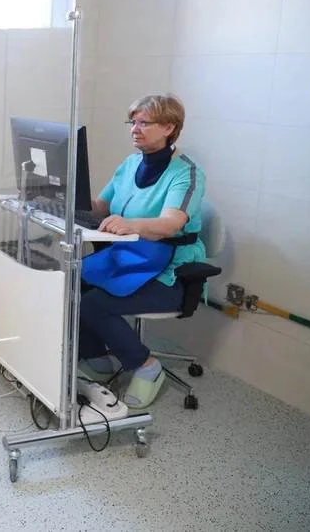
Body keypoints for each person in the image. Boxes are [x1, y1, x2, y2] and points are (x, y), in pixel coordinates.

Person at [78, 94, 206, 409]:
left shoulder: (186, 174)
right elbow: (101, 207)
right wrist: (66, 196)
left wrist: (130, 224)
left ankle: (146, 365)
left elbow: (171, 224)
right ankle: (94, 355)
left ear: (169, 127)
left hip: (168, 273)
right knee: (72, 279)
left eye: (144, 123)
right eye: (132, 122)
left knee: (94, 304)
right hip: (128, 259)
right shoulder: (130, 164)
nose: (135, 129)